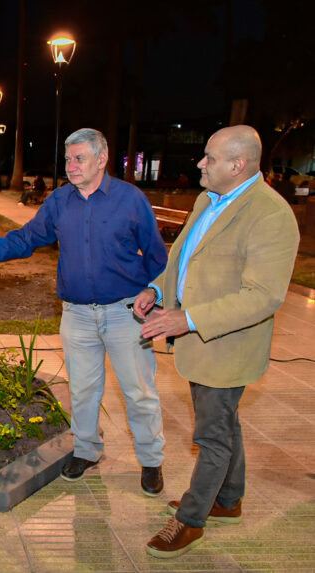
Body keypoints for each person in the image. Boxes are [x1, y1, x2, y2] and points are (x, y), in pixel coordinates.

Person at [0, 127, 168, 496]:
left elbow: (157, 257)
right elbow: (27, 238)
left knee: (139, 392)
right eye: (68, 159)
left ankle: (151, 462)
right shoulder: (59, 201)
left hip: (126, 314)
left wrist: (158, 297)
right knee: (84, 391)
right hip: (77, 315)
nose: (70, 166)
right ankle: (86, 451)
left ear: (101, 160)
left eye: (79, 158)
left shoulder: (130, 200)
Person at [135, 125, 299, 559]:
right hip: (200, 343)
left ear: (237, 165)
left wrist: (185, 319)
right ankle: (228, 500)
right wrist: (156, 288)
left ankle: (191, 519)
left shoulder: (270, 215)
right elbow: (181, 261)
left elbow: (263, 297)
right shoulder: (209, 200)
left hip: (227, 347)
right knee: (225, 422)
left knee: (213, 435)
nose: (200, 163)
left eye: (208, 157)